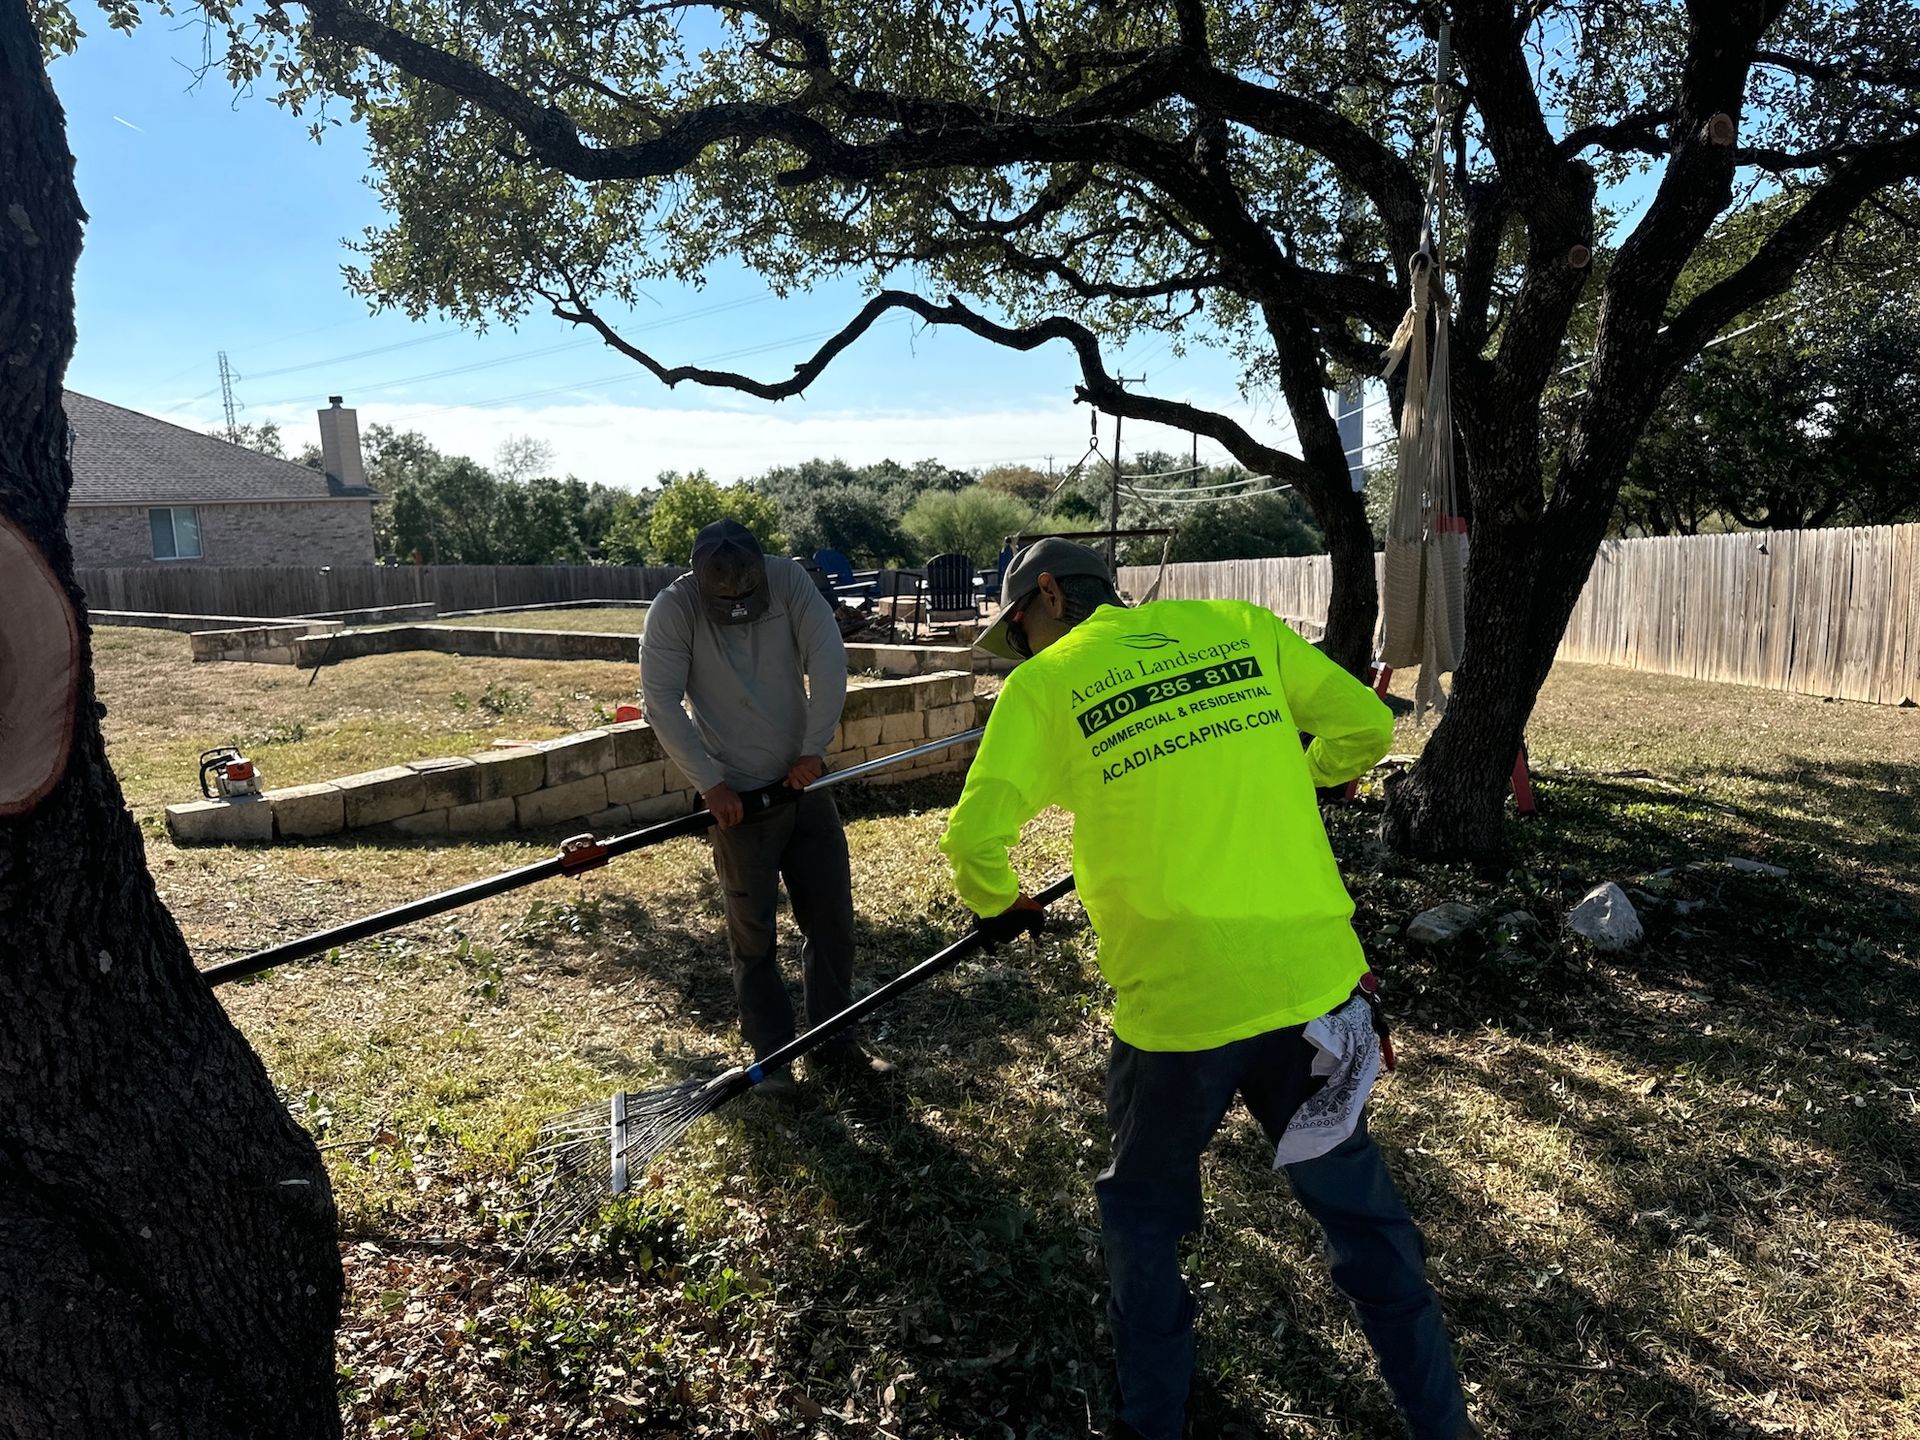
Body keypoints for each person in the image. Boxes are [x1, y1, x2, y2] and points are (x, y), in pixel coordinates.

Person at [939, 539, 1472, 1440]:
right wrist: (1301, 780)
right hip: (1313, 991)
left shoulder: (1047, 684)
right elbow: (1369, 728)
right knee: (1367, 1227)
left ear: (1045, 598)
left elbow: (972, 841)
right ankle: (1442, 1426)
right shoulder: (1238, 627)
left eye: (1018, 629)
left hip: (1180, 1014)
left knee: (1145, 1223)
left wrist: (1002, 907)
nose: (1020, 649)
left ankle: (1155, 1424)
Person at [641, 520, 892, 1100]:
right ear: (701, 581)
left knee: (831, 917)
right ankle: (772, 1055)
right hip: (738, 800)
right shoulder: (674, 609)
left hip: (804, 785)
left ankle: (834, 1038)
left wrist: (814, 749)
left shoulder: (790, 582)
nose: (736, 604)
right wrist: (710, 784)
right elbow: (661, 701)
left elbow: (828, 659)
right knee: (753, 934)